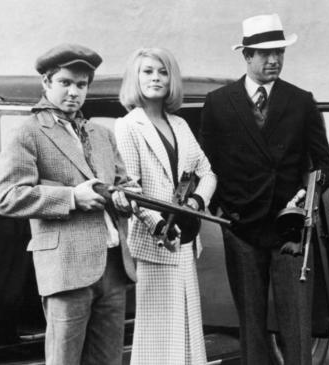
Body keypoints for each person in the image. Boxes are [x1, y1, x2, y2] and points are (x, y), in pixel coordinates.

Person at [200, 13, 329, 365]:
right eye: (264, 53)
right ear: (246, 56)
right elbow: (206, 164)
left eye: (279, 52)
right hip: (241, 227)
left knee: (297, 323)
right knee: (251, 322)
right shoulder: (218, 102)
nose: (274, 60)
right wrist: (222, 211)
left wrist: (302, 205)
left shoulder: (301, 100)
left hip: (289, 229)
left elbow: (323, 163)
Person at [0, 44, 138, 365]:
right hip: (67, 269)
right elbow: (7, 197)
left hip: (113, 267)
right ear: (46, 83)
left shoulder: (101, 134)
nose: (74, 92)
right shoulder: (28, 133)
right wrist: (72, 198)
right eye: (65, 83)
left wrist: (126, 199)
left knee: (108, 361)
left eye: (82, 85)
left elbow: (124, 185)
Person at [115, 47, 216, 365]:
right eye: (147, 71)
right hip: (154, 241)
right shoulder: (129, 126)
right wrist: (159, 224)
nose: (156, 78)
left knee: (187, 327)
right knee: (158, 336)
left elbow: (208, 172)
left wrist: (197, 202)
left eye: (163, 72)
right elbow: (131, 190)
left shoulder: (181, 125)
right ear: (135, 77)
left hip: (185, 239)